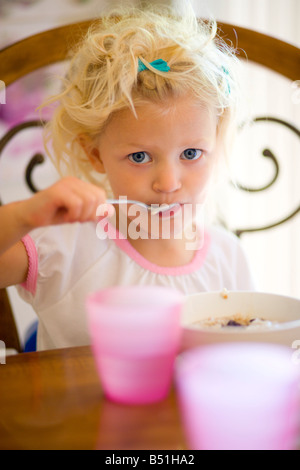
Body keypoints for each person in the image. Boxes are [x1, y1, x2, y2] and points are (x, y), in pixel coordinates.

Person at [0, 4, 255, 350]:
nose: (168, 183)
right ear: (95, 154)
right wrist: (21, 216)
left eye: (191, 154)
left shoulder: (228, 258)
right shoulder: (64, 247)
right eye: (139, 157)